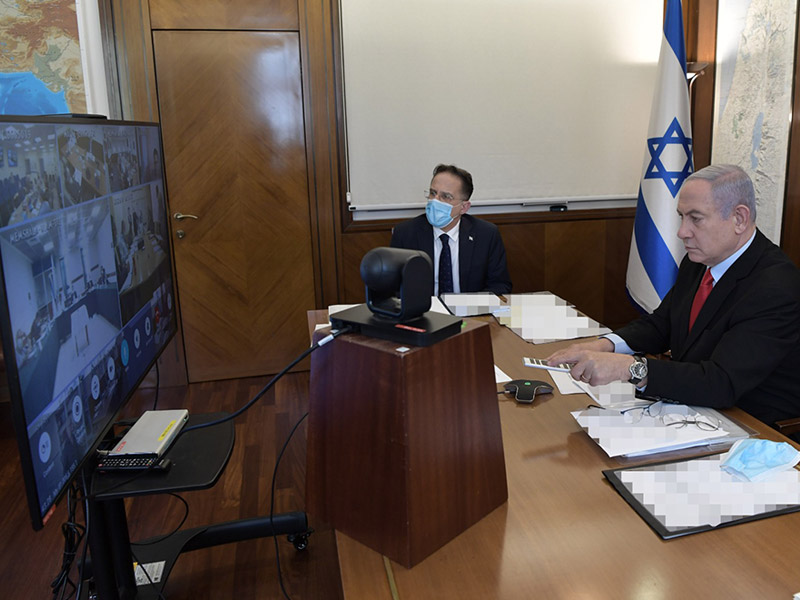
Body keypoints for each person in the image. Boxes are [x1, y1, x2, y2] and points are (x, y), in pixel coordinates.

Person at [547, 164, 800, 431]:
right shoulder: (698, 263)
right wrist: (605, 345)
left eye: (696, 218)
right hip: (693, 409)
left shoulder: (776, 286)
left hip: (753, 429)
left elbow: (721, 382)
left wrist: (629, 368)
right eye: (681, 216)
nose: (682, 232)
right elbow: (662, 324)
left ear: (739, 218)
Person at [390, 164, 512, 295]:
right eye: (433, 193)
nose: (435, 201)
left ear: (464, 207)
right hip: (424, 312)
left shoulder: (486, 234)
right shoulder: (405, 233)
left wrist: (470, 308)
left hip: (469, 311)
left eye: (446, 196)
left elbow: (500, 285)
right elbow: (393, 288)